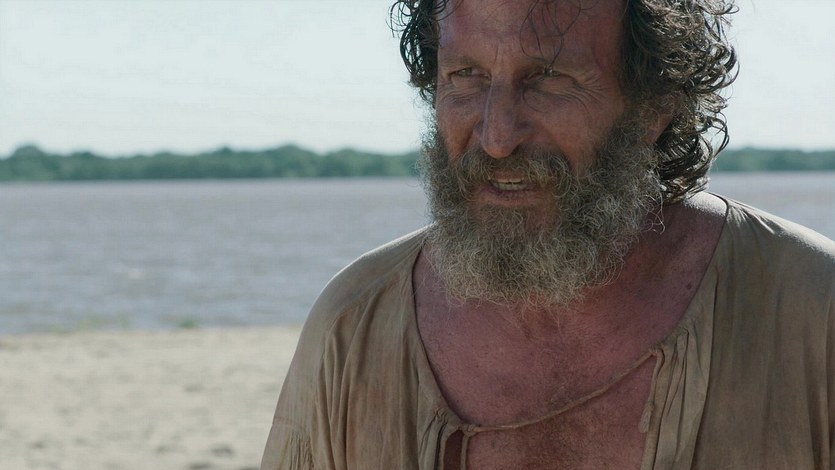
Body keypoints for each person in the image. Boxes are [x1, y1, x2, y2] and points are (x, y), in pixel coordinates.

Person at [261, 0, 835, 468]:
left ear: (653, 107)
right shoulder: (354, 326)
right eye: (465, 76)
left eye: (549, 78)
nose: (497, 137)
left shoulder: (812, 310)